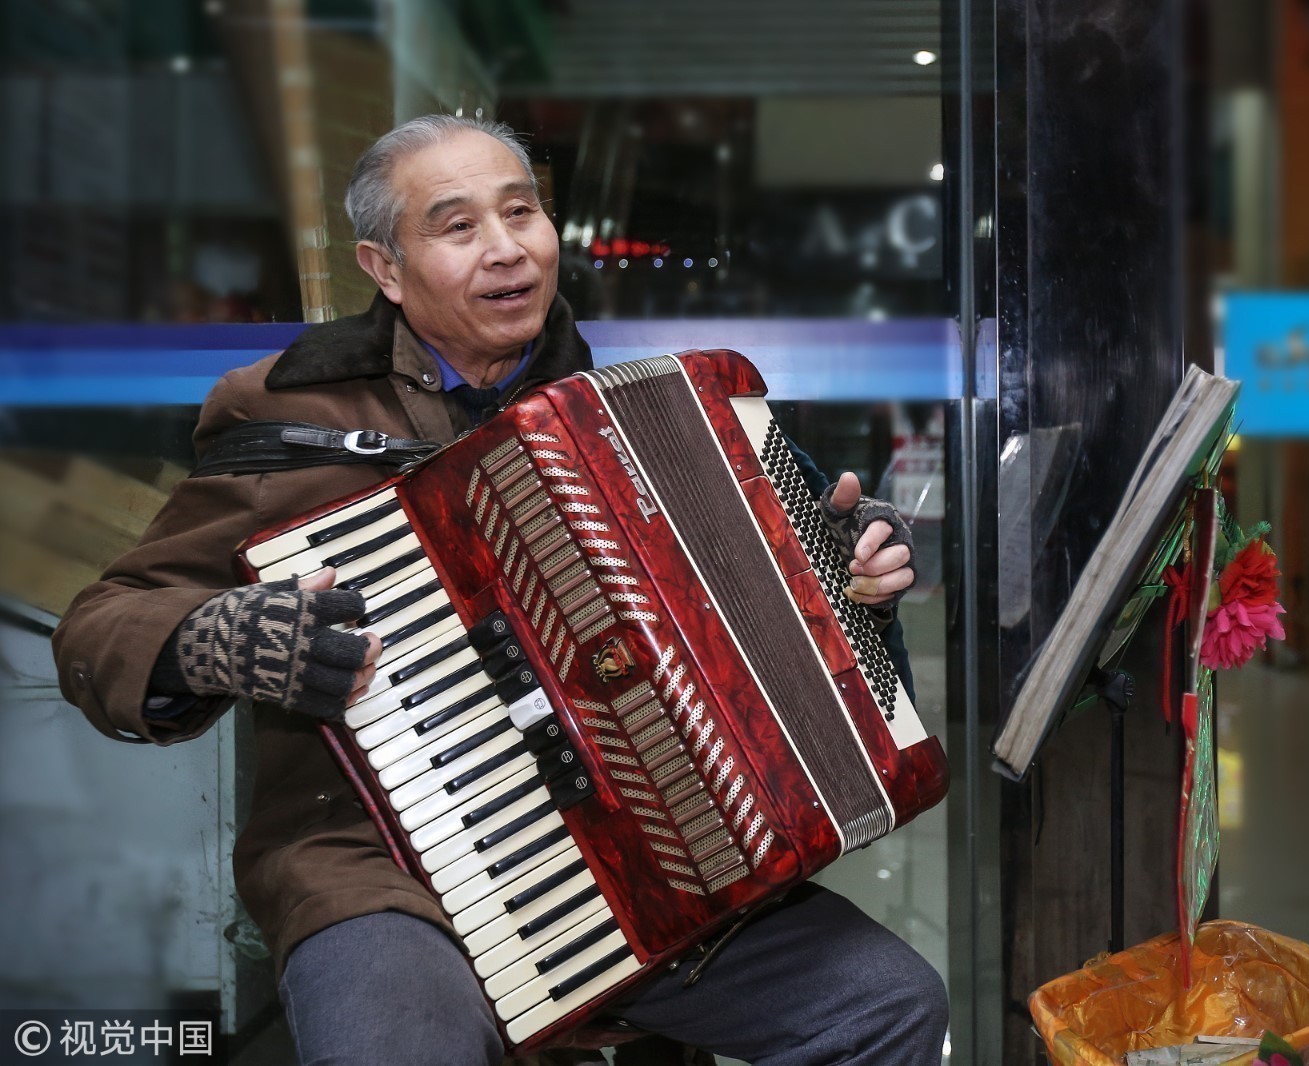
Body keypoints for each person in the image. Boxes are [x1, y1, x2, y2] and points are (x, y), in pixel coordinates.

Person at [53, 114, 946, 1066]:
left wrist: (852, 591)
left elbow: (805, 678)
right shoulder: (290, 414)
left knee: (887, 1005)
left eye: (521, 213)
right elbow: (100, 625)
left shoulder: (644, 426)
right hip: (383, 870)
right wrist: (205, 640)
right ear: (385, 268)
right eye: (458, 226)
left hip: (648, 863)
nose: (506, 248)